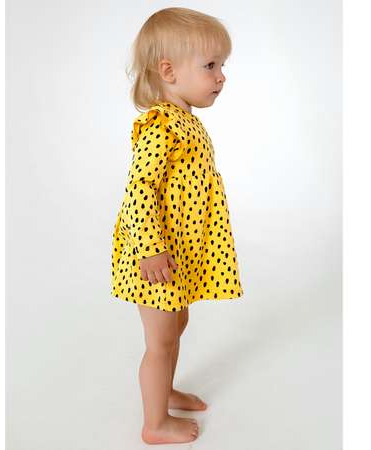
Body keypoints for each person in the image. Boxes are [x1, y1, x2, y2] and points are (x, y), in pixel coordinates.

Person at [110, 7, 244, 445]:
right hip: (154, 258)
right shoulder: (160, 126)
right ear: (168, 71)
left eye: (222, 66)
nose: (221, 77)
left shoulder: (186, 120)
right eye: (210, 66)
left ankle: (165, 390)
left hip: (177, 254)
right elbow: (139, 189)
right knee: (161, 341)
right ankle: (155, 423)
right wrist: (150, 249)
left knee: (176, 325)